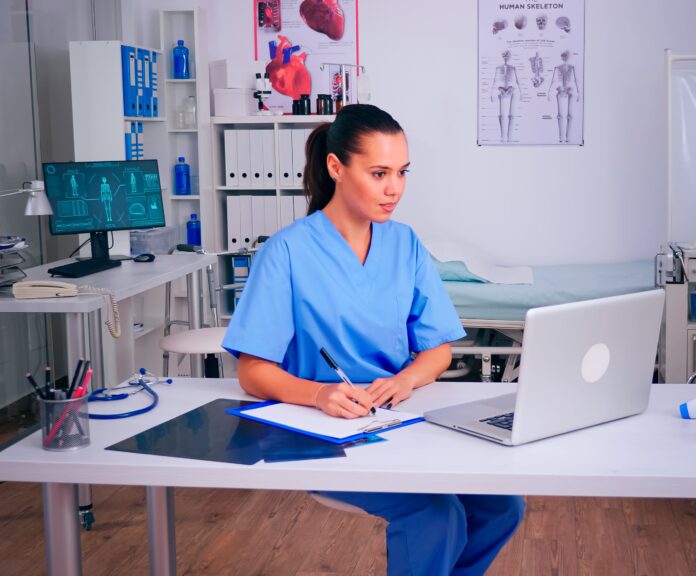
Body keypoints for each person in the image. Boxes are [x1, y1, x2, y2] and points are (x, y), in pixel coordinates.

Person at [222, 104, 525, 576]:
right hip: (321, 429)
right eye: (379, 172)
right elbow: (252, 371)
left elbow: (438, 349)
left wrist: (405, 380)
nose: (395, 188)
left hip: (401, 419)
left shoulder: (404, 244)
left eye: (402, 172)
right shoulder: (285, 252)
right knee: (435, 514)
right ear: (336, 167)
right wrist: (320, 393)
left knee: (503, 505)